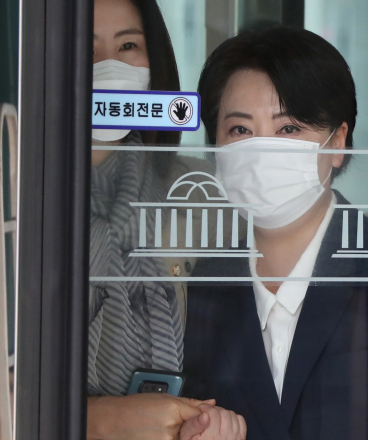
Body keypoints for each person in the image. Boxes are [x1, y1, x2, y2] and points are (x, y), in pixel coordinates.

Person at [183, 26, 368, 440]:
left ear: (338, 142)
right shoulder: (203, 284)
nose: (261, 149)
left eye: (288, 129)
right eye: (240, 130)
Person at [87, 0, 246, 439]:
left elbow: (306, 227)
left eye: (128, 46)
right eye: (86, 49)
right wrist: (101, 420)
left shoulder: (199, 189)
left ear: (155, 62)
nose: (109, 66)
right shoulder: (22, 192)